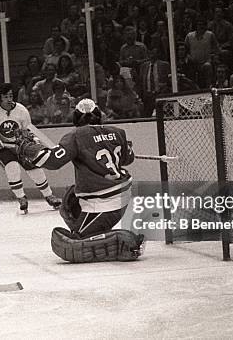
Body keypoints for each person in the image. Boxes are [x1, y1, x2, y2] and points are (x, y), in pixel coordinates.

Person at [15, 98, 144, 262]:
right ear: (99, 115)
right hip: (120, 192)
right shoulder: (118, 132)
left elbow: (53, 161)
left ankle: (126, 241)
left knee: (75, 242)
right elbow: (128, 159)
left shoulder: (76, 136)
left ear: (76, 117)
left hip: (104, 201)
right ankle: (95, 231)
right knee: (71, 200)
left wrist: (28, 148)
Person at [0, 83, 62, 214]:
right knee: (12, 167)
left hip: (20, 145)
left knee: (34, 168)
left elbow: (28, 129)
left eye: (11, 96)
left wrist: (33, 141)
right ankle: (21, 198)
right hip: (2, 147)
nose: (9, 99)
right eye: (6, 97)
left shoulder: (21, 110)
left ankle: (49, 195)